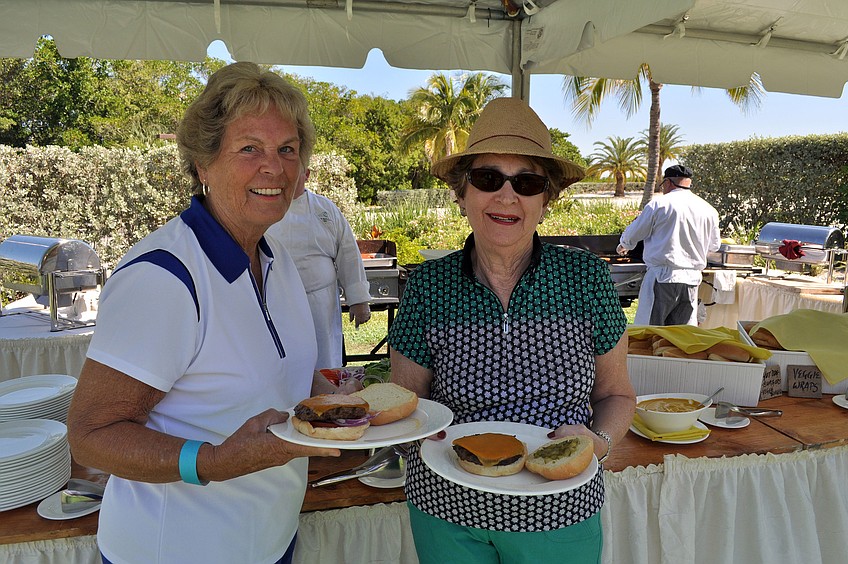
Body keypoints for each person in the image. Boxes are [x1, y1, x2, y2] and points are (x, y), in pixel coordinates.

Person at [66, 62, 349, 564]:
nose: (274, 167)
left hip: (268, 539)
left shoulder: (274, 257)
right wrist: (214, 462)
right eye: (249, 149)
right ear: (203, 164)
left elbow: (273, 380)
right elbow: (91, 436)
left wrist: (332, 397)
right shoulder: (165, 277)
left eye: (287, 149)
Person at [388, 97, 635, 564]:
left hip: (558, 510)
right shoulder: (427, 286)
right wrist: (409, 436)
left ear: (546, 199)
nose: (506, 196)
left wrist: (596, 443)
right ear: (462, 195)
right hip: (447, 510)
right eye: (487, 179)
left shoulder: (586, 280)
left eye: (526, 182)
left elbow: (617, 396)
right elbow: (407, 406)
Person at [265, 168, 371, 369]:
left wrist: (359, 300)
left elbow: (348, 254)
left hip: (321, 305)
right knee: (284, 363)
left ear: (307, 174)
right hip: (277, 301)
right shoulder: (264, 209)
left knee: (325, 361)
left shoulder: (325, 209)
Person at [616, 164, 721, 326]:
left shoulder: (659, 205)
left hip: (663, 278)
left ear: (668, 182)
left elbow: (634, 233)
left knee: (651, 333)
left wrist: (623, 245)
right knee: (681, 336)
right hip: (691, 280)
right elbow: (714, 246)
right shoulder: (709, 210)